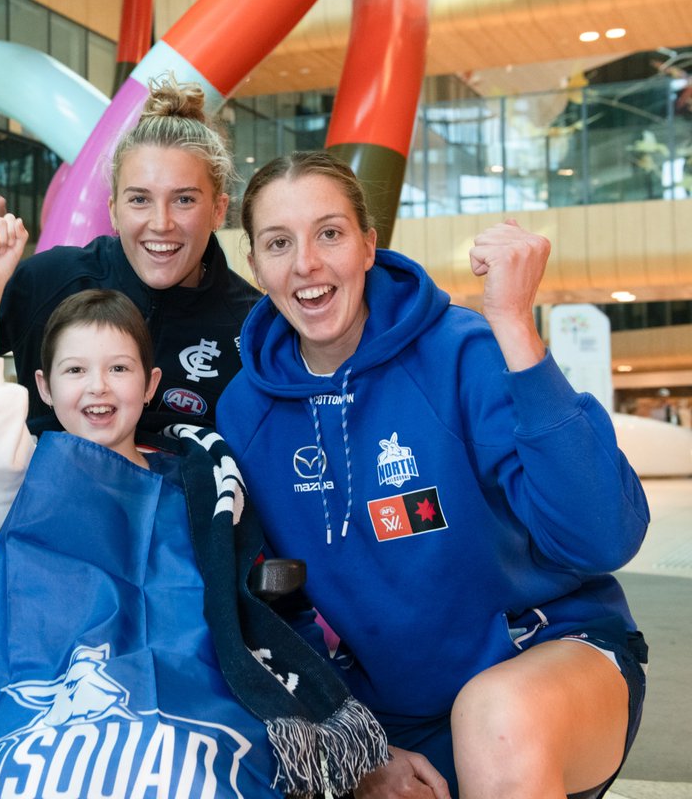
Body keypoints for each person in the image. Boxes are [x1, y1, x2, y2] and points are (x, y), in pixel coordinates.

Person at [0, 216, 389, 798]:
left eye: (119, 369)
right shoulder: (21, 470)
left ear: (149, 384)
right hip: (26, 706)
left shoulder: (199, 482)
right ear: (43, 387)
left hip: (185, 706)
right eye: (75, 371)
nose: (98, 388)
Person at [217, 151, 650, 799]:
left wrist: (513, 326)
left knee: (493, 720)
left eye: (329, 233)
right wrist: (353, 741)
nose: (306, 263)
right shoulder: (245, 413)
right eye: (279, 242)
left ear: (368, 244)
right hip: (392, 717)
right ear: (255, 264)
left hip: (546, 665)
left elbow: (602, 537)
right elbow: (276, 605)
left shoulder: (460, 350)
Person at [0, 74, 260, 433]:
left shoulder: (252, 327)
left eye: (184, 200)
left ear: (218, 209)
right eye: (139, 199)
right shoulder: (50, 280)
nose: (161, 223)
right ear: (113, 210)